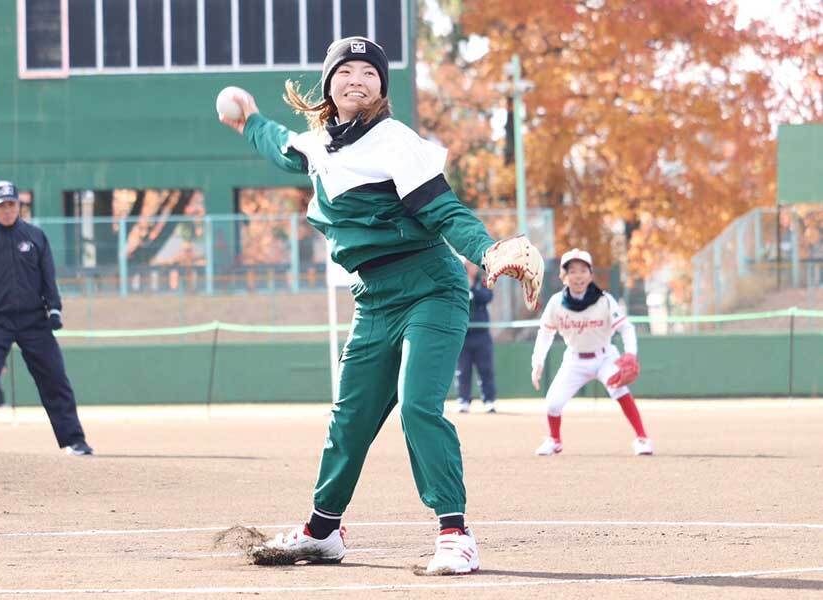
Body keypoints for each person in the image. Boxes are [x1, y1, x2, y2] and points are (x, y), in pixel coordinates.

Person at [218, 36, 542, 574]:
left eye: (370, 72)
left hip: (430, 290)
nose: (358, 79)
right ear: (329, 84)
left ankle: (455, 533)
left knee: (418, 405)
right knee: (349, 418)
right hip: (374, 300)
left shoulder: (395, 140)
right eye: (346, 70)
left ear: (381, 89)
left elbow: (444, 211)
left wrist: (488, 249)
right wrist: (250, 119)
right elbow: (283, 146)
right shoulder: (321, 144)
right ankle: (323, 531)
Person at [0, 180, 93, 456]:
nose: (7, 210)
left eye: (12, 204)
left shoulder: (35, 237)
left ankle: (74, 440)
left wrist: (54, 309)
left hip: (35, 322)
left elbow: (48, 278)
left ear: (19, 205)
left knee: (55, 379)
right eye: (1, 205)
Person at [530, 248, 653, 456]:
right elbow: (545, 333)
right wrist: (538, 362)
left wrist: (630, 354)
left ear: (591, 274)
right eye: (572, 271)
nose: (578, 275)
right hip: (574, 359)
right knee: (553, 403)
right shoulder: (556, 303)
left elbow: (626, 328)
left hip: (605, 356)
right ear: (563, 276)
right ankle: (554, 440)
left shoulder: (604, 300)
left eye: (583, 270)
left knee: (620, 392)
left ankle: (642, 439)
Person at [455, 259, 497, 414]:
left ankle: (489, 400)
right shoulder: (456, 279)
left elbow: (487, 297)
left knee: (486, 369)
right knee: (463, 370)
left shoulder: (484, 280)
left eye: (473, 264)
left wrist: (473, 287)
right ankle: (463, 400)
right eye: (468, 264)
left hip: (482, 334)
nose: (471, 267)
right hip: (463, 334)